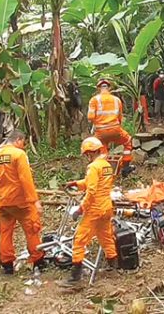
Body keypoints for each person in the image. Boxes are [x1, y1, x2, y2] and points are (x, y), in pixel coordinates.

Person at [0, 130, 45, 274]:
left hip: (3, 203)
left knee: (5, 232)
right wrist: (35, 201)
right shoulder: (19, 154)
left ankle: (7, 264)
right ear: (18, 140)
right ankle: (37, 261)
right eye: (23, 143)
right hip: (21, 202)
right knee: (32, 230)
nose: (23, 146)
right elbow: (26, 180)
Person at [60, 137, 118, 287]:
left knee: (79, 240)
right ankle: (113, 266)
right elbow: (93, 183)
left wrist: (80, 209)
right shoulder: (106, 165)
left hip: (94, 209)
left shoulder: (93, 167)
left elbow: (91, 191)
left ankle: (75, 277)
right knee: (105, 237)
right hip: (106, 208)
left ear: (89, 153)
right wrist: (76, 184)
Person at [87, 79, 133, 164]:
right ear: (109, 88)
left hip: (100, 131)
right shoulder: (117, 100)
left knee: (102, 148)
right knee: (128, 140)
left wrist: (96, 124)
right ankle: (126, 165)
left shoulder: (94, 100)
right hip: (115, 129)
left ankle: (103, 167)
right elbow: (120, 117)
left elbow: (90, 117)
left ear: (98, 88)